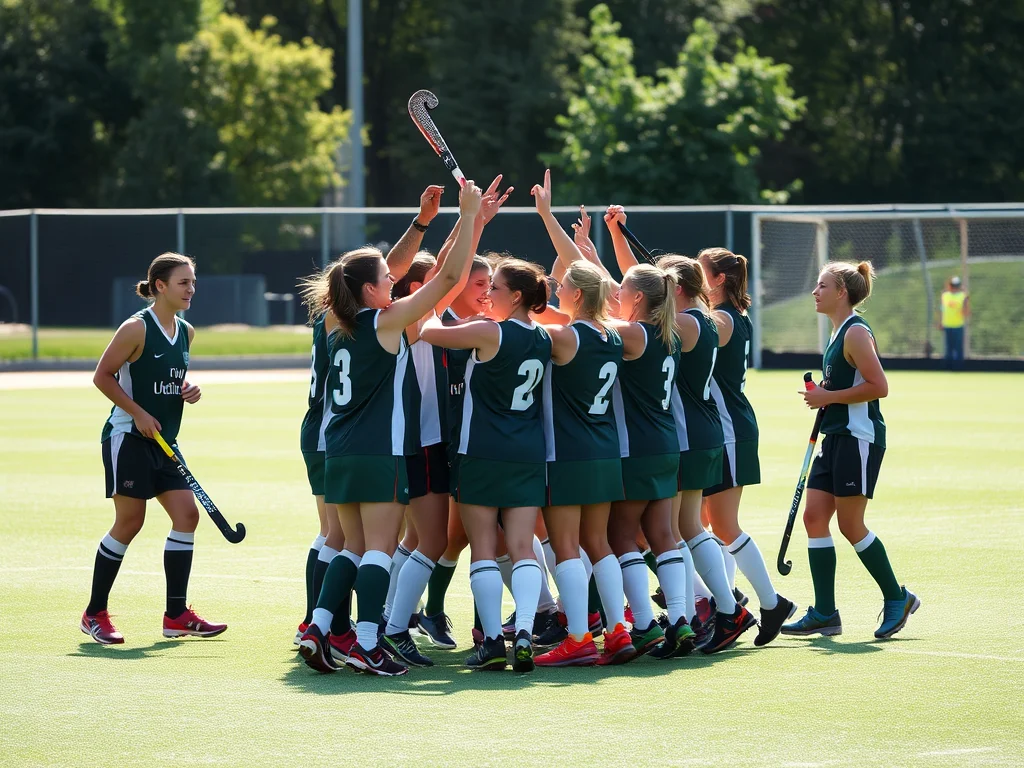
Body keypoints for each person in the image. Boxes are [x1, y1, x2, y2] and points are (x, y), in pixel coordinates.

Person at [297, 180, 483, 675]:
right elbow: (444, 283)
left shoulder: (336, 323)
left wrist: (436, 221)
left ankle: (317, 626)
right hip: (379, 448)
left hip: (337, 448)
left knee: (351, 545)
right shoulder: (384, 323)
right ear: (369, 290)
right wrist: (467, 217)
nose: (394, 283)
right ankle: (366, 641)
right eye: (386, 279)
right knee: (378, 548)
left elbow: (411, 275)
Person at [83, 252, 226, 645]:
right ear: (160, 286)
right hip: (127, 436)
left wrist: (189, 390)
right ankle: (94, 613)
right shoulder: (135, 328)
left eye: (193, 282)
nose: (191, 289)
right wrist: (138, 414)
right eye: (183, 283)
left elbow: (168, 378)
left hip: (165, 443)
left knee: (186, 515)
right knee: (130, 522)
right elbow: (102, 376)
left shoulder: (187, 332)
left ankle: (176, 614)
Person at [420, 257, 553, 673]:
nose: (485, 294)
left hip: (481, 451)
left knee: (484, 548)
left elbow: (427, 332)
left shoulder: (488, 330)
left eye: (493, 287)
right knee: (522, 548)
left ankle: (493, 641)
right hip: (527, 454)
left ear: (515, 296)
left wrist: (430, 295)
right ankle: (528, 632)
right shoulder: (545, 337)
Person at [782, 261, 919, 640]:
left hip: (858, 437)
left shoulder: (855, 333)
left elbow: (879, 386)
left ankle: (898, 597)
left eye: (822, 285)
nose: (815, 291)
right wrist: (824, 396)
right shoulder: (836, 332)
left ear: (842, 292)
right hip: (837, 436)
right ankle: (825, 612)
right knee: (814, 517)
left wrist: (830, 396)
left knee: (850, 524)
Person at [530, 177, 635, 666]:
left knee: (568, 546)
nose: (556, 286)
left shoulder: (566, 339)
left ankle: (577, 639)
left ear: (574, 294)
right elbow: (584, 277)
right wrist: (550, 221)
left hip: (567, 454)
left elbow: (534, 325)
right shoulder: (615, 335)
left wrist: (549, 217)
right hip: (604, 451)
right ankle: (617, 630)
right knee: (601, 544)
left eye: (561, 286)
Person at [656, 252, 757, 654]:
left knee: (676, 529)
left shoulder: (688, 322)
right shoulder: (704, 318)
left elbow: (625, 309)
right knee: (686, 528)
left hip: (688, 433)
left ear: (675, 289)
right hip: (701, 430)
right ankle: (721, 610)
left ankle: (706, 612)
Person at [698, 247, 795, 646]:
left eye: (699, 271)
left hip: (728, 429)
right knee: (702, 525)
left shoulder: (720, 319)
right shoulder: (722, 314)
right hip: (718, 428)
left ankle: (771, 603)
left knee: (722, 525)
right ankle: (724, 601)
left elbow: (678, 319)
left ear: (718, 279)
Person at [939, 275, 969, 370]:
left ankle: (958, 368)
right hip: (947, 325)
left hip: (958, 325)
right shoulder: (945, 295)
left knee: (958, 348)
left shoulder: (962, 296)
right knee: (948, 348)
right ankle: (948, 368)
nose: (954, 287)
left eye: (956, 285)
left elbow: (966, 312)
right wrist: (940, 321)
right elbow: (941, 309)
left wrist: (966, 298)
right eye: (953, 285)